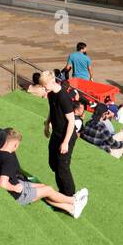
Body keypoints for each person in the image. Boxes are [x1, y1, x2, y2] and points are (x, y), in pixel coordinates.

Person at [0, 127, 87, 218]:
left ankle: (71, 208)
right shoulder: (9, 159)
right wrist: (15, 188)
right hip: (17, 194)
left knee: (43, 187)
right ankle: (73, 200)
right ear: (15, 144)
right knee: (48, 190)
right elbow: (3, 183)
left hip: (17, 183)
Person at [40, 70, 79, 198]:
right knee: (53, 163)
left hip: (66, 135)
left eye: (44, 85)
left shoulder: (64, 97)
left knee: (62, 167)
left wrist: (65, 142)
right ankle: (62, 192)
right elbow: (52, 109)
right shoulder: (51, 94)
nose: (43, 88)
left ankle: (70, 197)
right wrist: (47, 123)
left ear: (52, 82)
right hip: (56, 133)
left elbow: (71, 121)